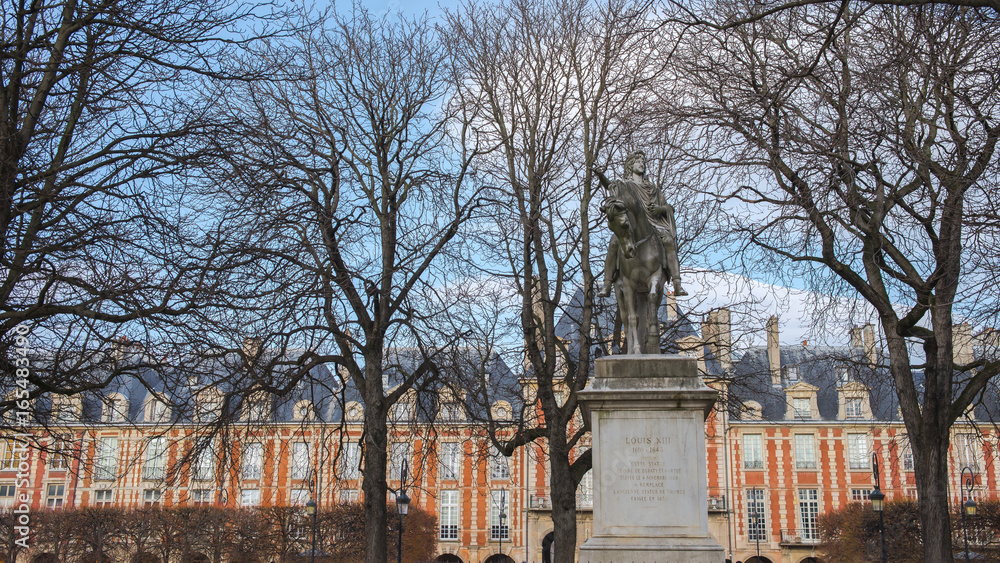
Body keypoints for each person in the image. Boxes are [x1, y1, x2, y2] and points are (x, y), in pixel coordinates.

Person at [596, 151, 687, 297]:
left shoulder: (653, 189)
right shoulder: (625, 186)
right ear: (630, 166)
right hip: (631, 224)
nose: (641, 164)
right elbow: (610, 186)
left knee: (669, 242)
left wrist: (660, 209)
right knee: (613, 243)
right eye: (638, 162)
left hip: (654, 224)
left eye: (643, 162)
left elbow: (669, 207)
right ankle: (607, 284)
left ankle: (677, 283)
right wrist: (600, 175)